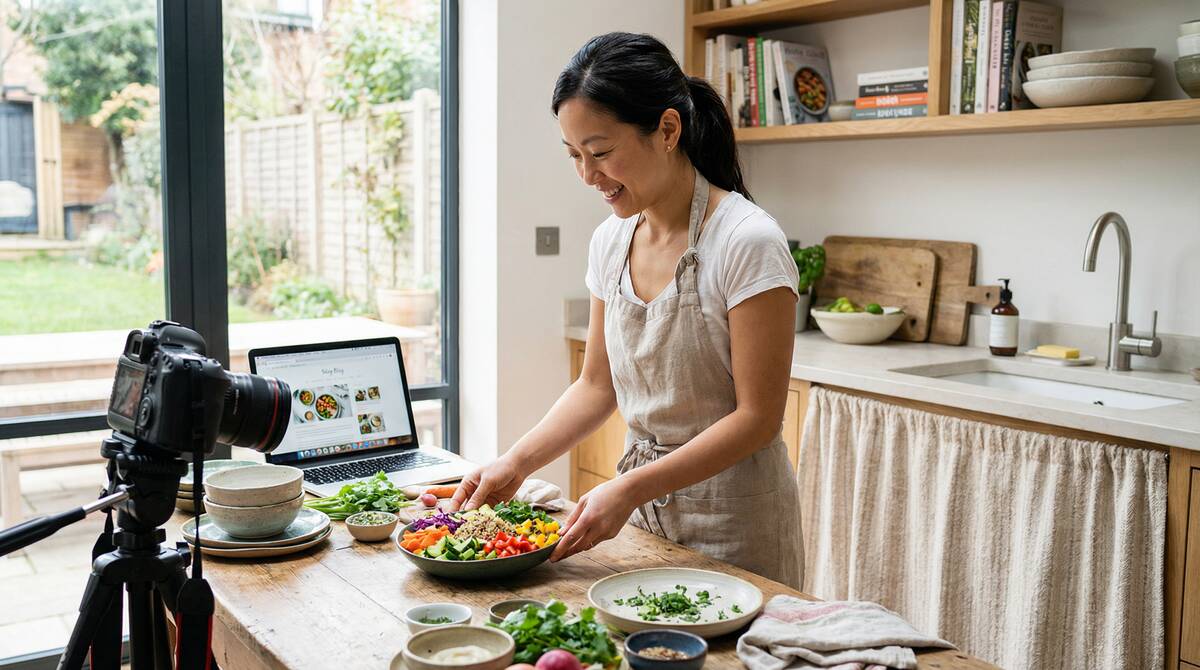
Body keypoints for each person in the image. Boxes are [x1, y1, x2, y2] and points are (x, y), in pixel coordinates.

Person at [451, 31, 802, 587]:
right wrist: (514, 464)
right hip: (643, 517)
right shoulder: (609, 243)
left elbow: (758, 419)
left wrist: (630, 487)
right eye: (574, 155)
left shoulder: (746, 240)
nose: (588, 176)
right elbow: (597, 384)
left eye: (601, 153)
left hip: (736, 522)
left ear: (667, 130)